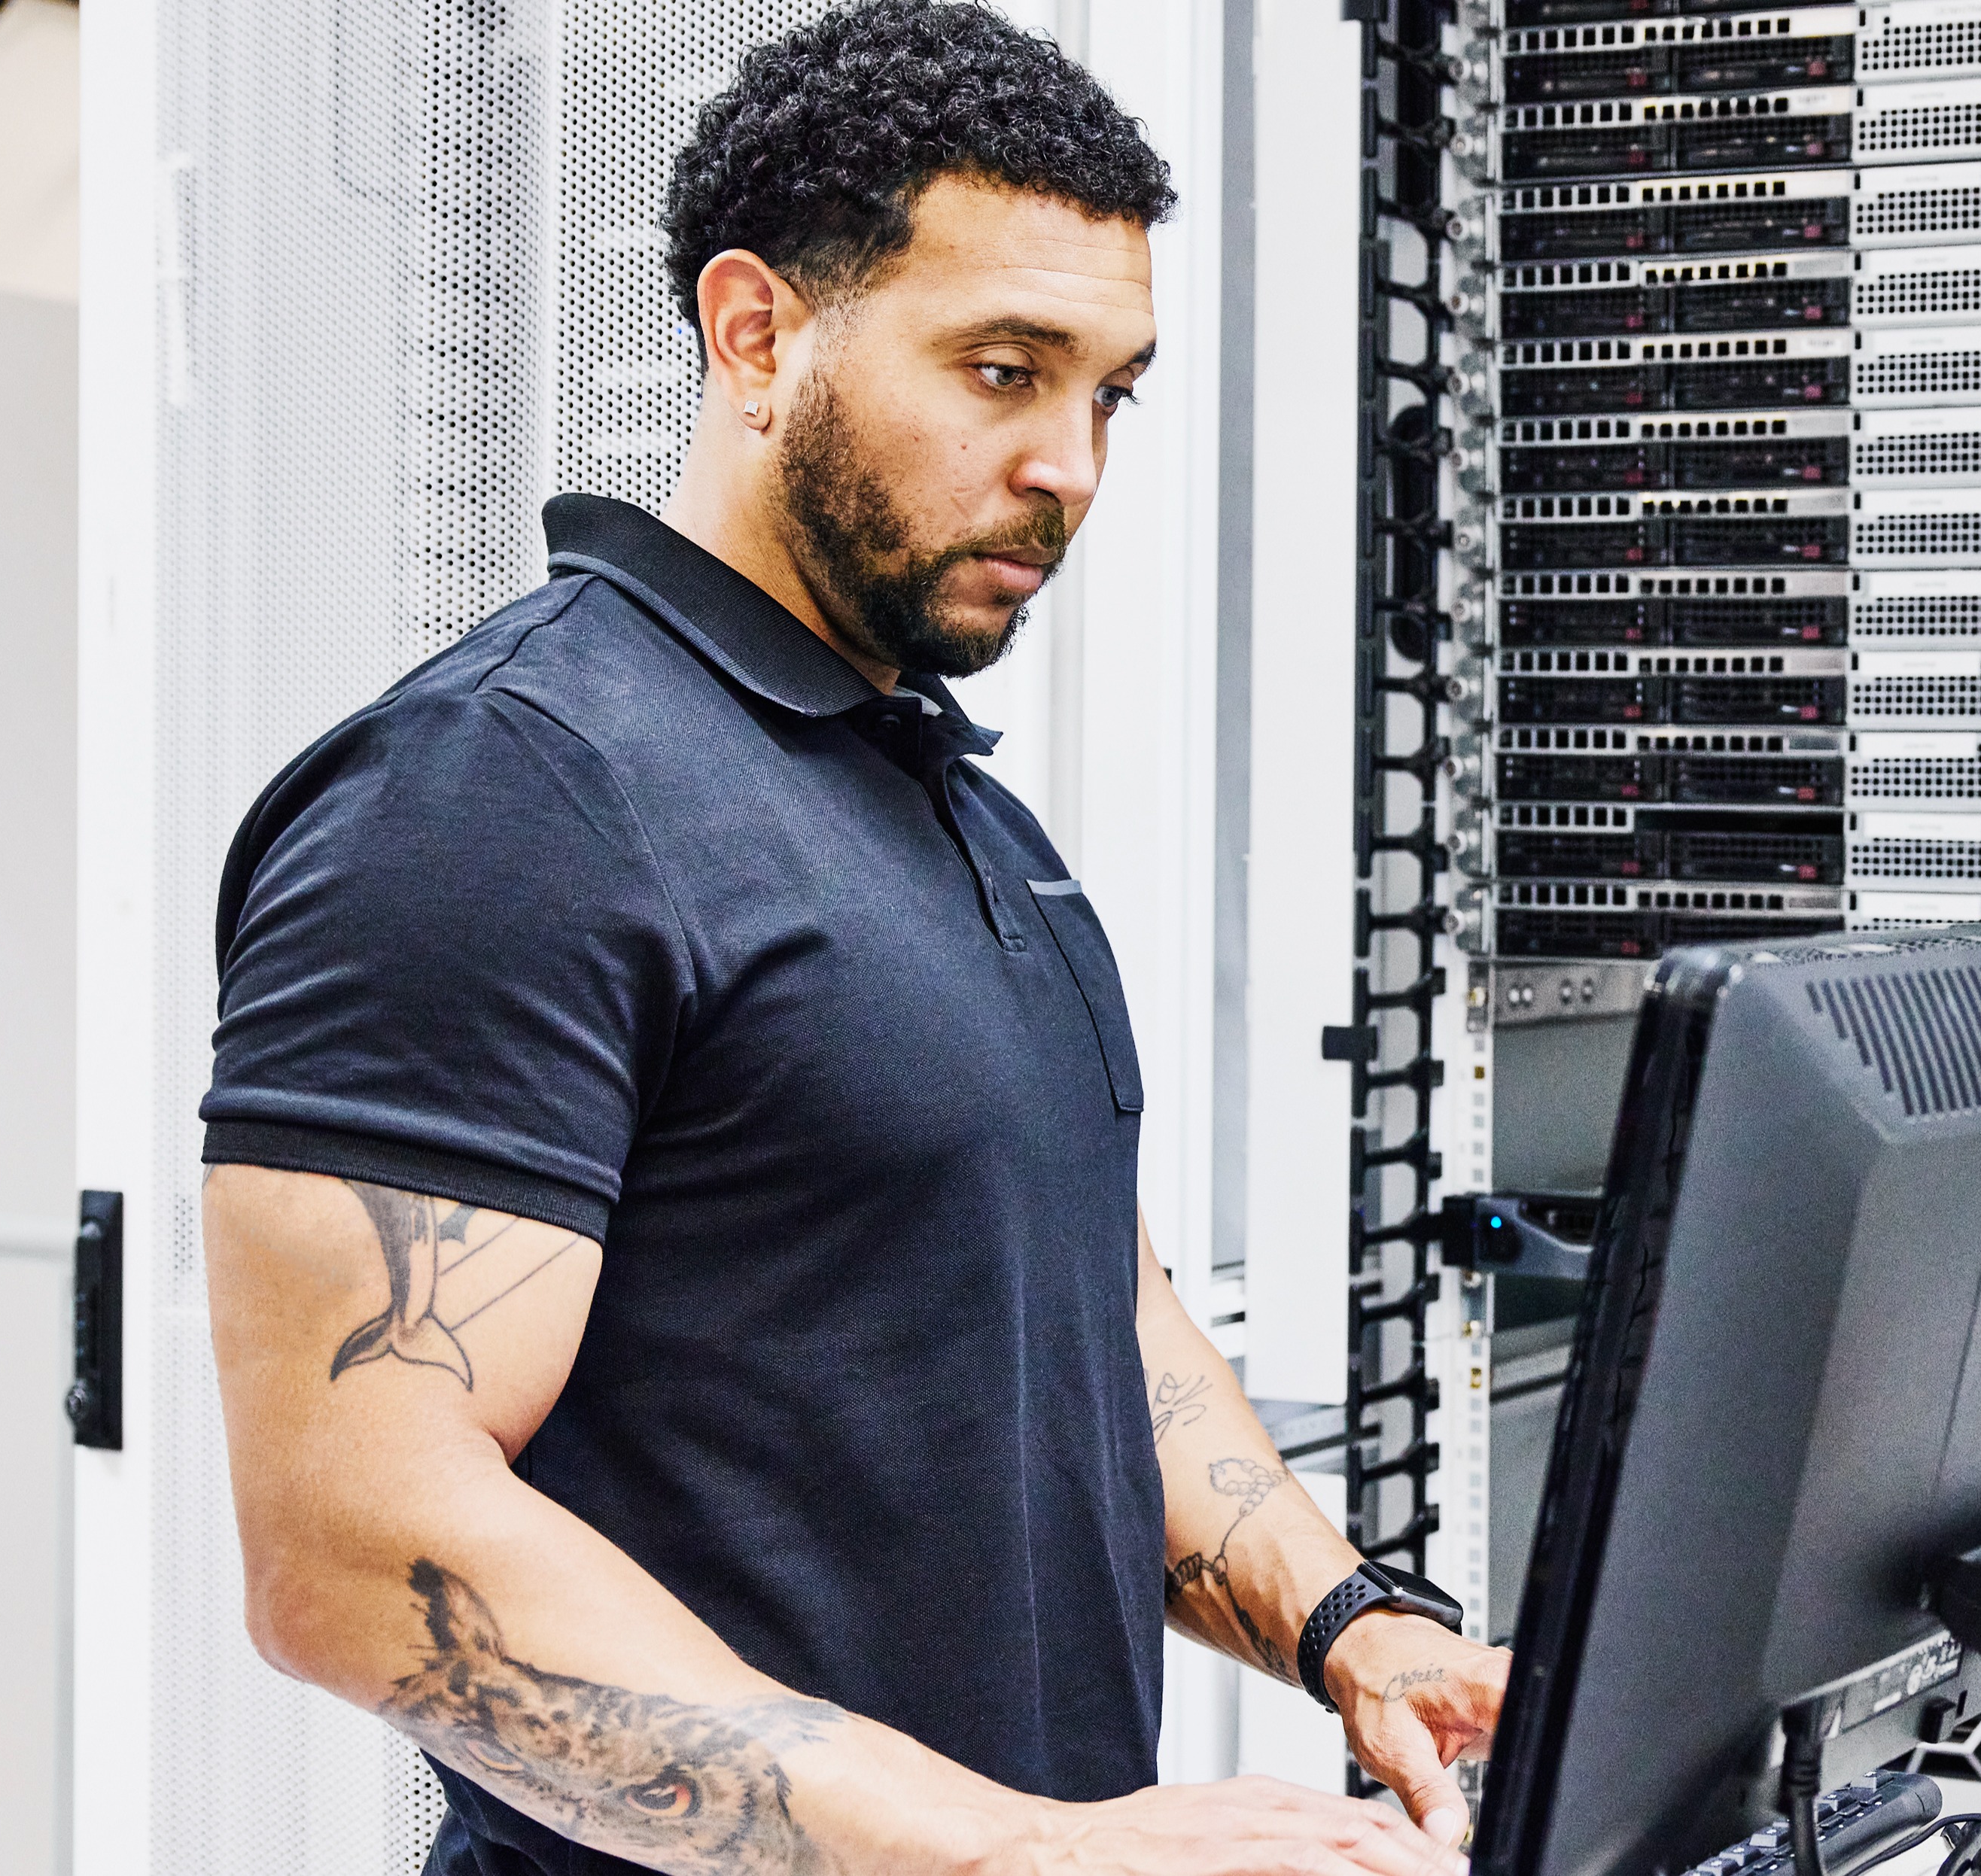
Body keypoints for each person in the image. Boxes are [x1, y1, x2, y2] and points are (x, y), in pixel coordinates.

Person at [195, 7, 1505, 1871]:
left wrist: (1344, 1619)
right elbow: (350, 1544)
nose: (1070, 464)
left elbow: (1089, 1315)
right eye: (1000, 369)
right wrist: (1016, 1849)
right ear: (756, 334)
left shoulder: (956, 811)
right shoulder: (504, 796)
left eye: (1108, 390)